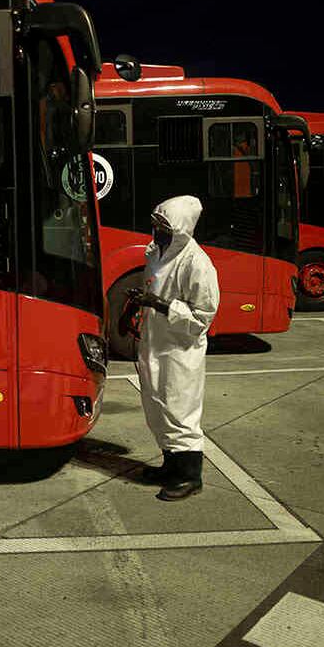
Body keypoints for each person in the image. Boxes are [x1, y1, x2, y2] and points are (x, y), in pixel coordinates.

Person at [127, 195, 220, 501]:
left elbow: (202, 316)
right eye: (155, 223)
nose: (156, 230)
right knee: (157, 406)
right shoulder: (156, 252)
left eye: (164, 225)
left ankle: (190, 476)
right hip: (155, 342)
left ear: (181, 227)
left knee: (180, 410)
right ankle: (171, 465)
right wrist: (137, 308)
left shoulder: (197, 263)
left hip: (180, 350)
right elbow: (150, 285)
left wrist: (162, 305)